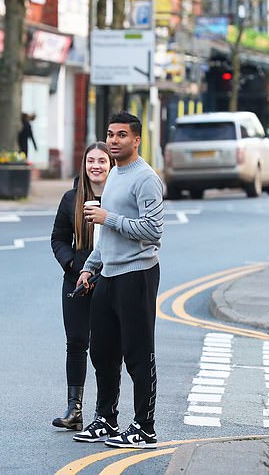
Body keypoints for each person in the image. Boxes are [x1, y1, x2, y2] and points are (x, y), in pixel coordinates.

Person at [72, 111, 164, 449]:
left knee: (138, 353)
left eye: (121, 135)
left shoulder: (146, 178)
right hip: (108, 275)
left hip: (137, 274)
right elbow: (104, 236)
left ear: (136, 140)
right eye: (110, 134)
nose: (113, 140)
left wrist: (108, 218)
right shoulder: (114, 175)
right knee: (102, 352)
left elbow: (154, 231)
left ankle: (144, 426)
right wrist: (90, 266)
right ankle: (106, 419)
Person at [50, 142, 114, 431]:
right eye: (91, 161)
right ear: (84, 165)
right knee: (76, 343)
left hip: (111, 279)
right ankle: (74, 410)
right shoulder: (71, 199)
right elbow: (59, 239)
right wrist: (73, 267)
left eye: (102, 160)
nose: (96, 166)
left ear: (111, 165)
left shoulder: (119, 198)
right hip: (76, 280)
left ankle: (104, 413)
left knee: (105, 348)